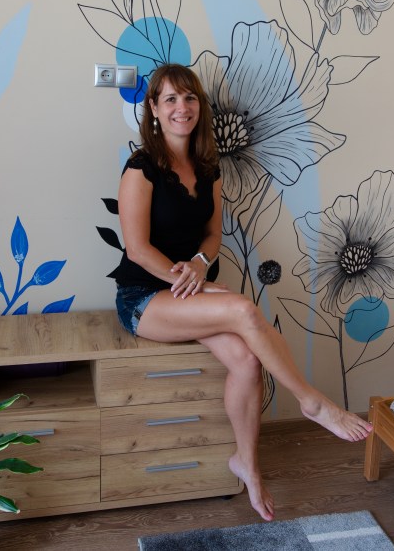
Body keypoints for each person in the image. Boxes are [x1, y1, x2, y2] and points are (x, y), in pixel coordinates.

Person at [113, 63, 372, 522]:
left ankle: (247, 465)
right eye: (170, 99)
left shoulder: (208, 168)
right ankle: (311, 401)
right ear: (153, 108)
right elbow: (137, 249)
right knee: (244, 310)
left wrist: (199, 264)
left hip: (190, 290)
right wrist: (188, 280)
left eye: (189, 98)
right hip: (144, 298)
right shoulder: (140, 168)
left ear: (199, 107)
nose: (181, 107)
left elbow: (213, 235)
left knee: (248, 360)